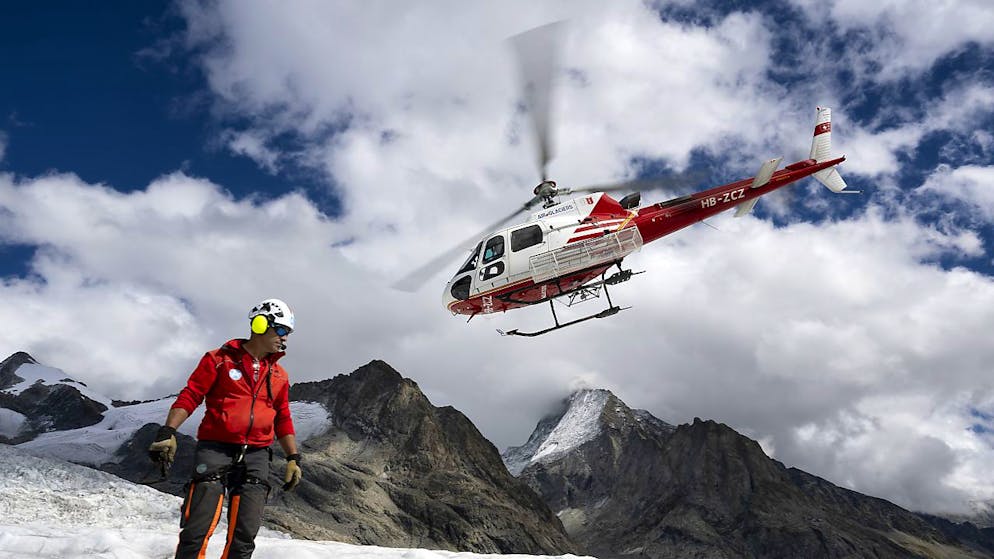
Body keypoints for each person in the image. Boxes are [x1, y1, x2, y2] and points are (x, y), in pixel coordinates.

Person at [148, 298, 303, 559]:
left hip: (257, 455)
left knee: (244, 537)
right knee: (196, 529)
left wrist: (293, 458)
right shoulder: (218, 360)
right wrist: (168, 431)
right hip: (215, 449)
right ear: (261, 323)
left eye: (287, 333)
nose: (284, 339)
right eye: (280, 330)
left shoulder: (279, 375)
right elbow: (191, 395)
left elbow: (282, 417)